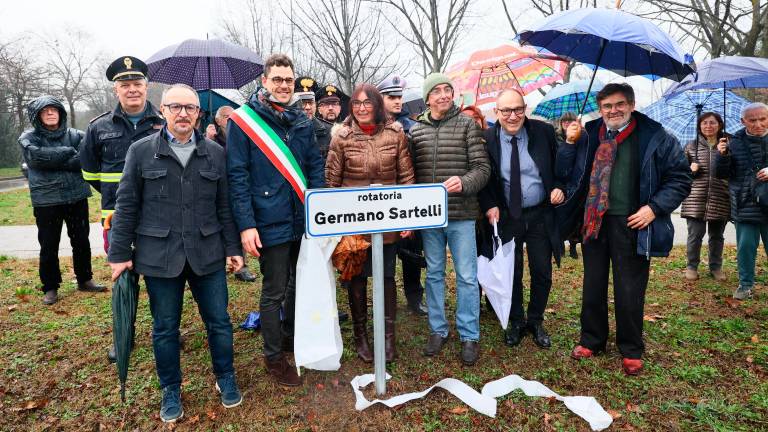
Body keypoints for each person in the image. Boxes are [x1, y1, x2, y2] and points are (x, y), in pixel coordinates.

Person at [107, 84, 244, 423]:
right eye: (176, 107)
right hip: (159, 255)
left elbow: (224, 206)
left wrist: (232, 248)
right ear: (163, 110)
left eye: (191, 108)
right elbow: (126, 206)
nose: (184, 113)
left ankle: (225, 376)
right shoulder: (140, 152)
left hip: (207, 252)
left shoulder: (215, 152)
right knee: (165, 328)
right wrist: (119, 254)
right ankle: (170, 387)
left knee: (219, 321)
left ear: (199, 114)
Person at [557, 83, 691, 375]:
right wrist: (569, 143)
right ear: (600, 108)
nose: (613, 111)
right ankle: (592, 339)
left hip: (632, 222)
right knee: (592, 284)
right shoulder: (589, 133)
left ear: (631, 105)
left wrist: (654, 208)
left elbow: (680, 177)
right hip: (593, 221)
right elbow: (565, 171)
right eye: (607, 106)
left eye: (619, 105)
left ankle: (631, 348)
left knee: (629, 288)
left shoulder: (654, 135)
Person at [227, 54, 325, 386]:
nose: (284, 86)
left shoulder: (301, 120)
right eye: (277, 79)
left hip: (302, 217)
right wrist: (246, 224)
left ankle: (288, 336)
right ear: (265, 82)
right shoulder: (243, 122)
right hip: (268, 220)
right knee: (274, 290)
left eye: (289, 80)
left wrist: (319, 208)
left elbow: (314, 166)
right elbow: (237, 176)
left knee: (299, 283)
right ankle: (273, 357)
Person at [80, 56, 166, 363]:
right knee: (124, 278)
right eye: (125, 85)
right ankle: (123, 336)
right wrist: (117, 196)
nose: (132, 90)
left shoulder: (163, 123)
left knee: (160, 277)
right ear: (116, 90)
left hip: (158, 215)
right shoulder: (97, 127)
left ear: (146, 87)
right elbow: (89, 172)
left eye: (137, 84)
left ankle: (164, 331)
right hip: (116, 218)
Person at [325, 84, 415, 362]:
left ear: (377, 105)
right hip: (354, 225)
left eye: (367, 103)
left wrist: (409, 216)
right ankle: (361, 336)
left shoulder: (396, 134)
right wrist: (337, 222)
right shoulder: (341, 137)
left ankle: (388, 337)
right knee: (357, 279)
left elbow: (406, 177)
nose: (362, 108)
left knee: (387, 277)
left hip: (387, 221)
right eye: (356, 103)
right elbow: (331, 182)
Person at [410, 73, 490, 366]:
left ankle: (469, 334)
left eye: (448, 90)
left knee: (467, 276)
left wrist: (465, 182)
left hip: (461, 214)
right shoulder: (415, 132)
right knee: (433, 274)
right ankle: (438, 329)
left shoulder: (468, 125)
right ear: (427, 97)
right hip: (429, 217)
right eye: (437, 91)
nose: (444, 95)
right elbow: (410, 175)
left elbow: (482, 168)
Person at [479, 89, 563, 350]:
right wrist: (490, 204)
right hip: (507, 214)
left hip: (540, 212)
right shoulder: (487, 139)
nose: (513, 116)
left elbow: (561, 166)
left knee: (542, 270)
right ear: (496, 112)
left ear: (525, 108)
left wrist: (560, 186)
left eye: (518, 109)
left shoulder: (544, 132)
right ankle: (516, 320)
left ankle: (535, 321)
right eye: (506, 111)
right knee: (510, 270)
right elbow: (484, 178)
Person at [18, 95, 105, 305]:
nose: (50, 113)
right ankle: (50, 287)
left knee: (81, 241)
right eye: (45, 110)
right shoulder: (28, 137)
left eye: (54, 110)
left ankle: (85, 279)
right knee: (49, 245)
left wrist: (52, 160)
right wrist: (67, 152)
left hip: (76, 196)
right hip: (46, 200)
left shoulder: (76, 135)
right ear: (37, 116)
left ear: (61, 113)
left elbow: (85, 158)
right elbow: (35, 157)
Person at [376, 75, 427, 315]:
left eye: (399, 97)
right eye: (391, 97)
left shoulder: (413, 127)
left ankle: (414, 297)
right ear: (380, 99)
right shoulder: (370, 125)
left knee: (412, 252)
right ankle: (385, 303)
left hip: (407, 197)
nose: (397, 101)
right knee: (382, 254)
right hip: (379, 199)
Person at [715, 102, 768, 300]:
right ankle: (745, 285)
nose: (758, 124)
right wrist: (722, 156)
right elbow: (722, 174)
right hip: (746, 204)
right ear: (742, 121)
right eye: (752, 120)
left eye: (763, 119)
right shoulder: (733, 142)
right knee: (746, 247)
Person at [205, 105, 259, 283]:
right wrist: (209, 140)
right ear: (218, 120)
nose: (230, 119)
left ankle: (241, 266)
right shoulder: (212, 137)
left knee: (238, 225)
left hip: (237, 186)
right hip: (216, 187)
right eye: (226, 116)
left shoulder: (241, 134)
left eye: (232, 116)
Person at [681, 112, 730, 281]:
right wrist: (690, 170)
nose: (708, 126)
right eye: (704, 123)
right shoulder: (690, 146)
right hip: (695, 198)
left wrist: (725, 154)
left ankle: (715, 267)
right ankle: (691, 266)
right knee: (695, 235)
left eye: (712, 123)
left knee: (717, 236)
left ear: (720, 125)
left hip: (720, 196)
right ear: (699, 126)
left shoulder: (728, 144)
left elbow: (735, 170)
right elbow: (679, 174)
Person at [554, 112, 582, 259]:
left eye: (570, 120)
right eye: (564, 120)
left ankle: (572, 247)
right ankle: (560, 247)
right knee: (562, 217)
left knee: (576, 220)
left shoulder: (581, 137)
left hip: (575, 181)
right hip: (560, 183)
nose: (566, 123)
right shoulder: (556, 137)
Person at [294, 76, 332, 162]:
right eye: (303, 103)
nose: (308, 107)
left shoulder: (329, 131)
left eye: (311, 102)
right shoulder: (286, 130)